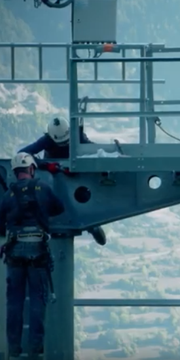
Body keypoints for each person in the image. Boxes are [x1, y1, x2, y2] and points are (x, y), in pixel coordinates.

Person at [0, 152, 65, 358]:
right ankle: (36, 351)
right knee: (38, 300)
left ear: (15, 172)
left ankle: (13, 350)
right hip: (38, 251)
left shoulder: (8, 195)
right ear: (31, 169)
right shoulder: (43, 188)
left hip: (14, 252)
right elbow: (58, 208)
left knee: (14, 303)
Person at [18, 117, 107, 246]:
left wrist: (76, 167)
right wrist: (47, 166)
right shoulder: (47, 141)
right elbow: (22, 155)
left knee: (83, 198)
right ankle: (90, 224)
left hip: (76, 178)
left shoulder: (78, 137)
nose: (64, 145)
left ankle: (92, 225)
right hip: (53, 177)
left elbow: (93, 153)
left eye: (66, 142)